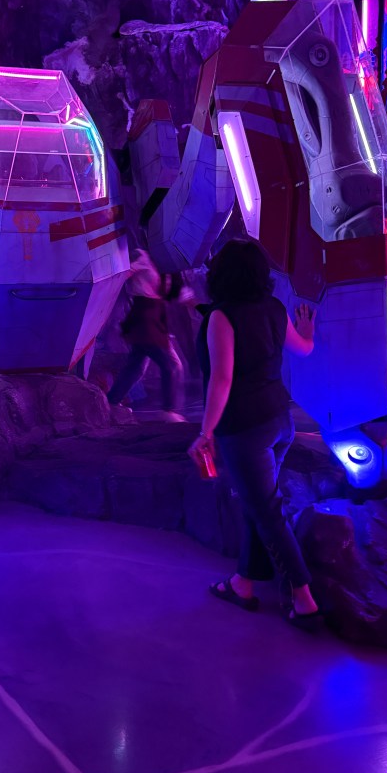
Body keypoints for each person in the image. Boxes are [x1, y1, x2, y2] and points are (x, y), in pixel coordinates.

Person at [188, 239, 321, 630]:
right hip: (280, 421)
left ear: (221, 275)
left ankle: (304, 600)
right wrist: (307, 330)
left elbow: (222, 380)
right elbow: (304, 350)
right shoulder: (274, 308)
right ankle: (243, 583)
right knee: (257, 504)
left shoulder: (222, 317)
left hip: (245, 429)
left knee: (267, 510)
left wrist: (205, 432)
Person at [108, 249, 187, 420]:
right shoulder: (142, 255)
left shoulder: (163, 263)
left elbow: (166, 292)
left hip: (153, 316)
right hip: (145, 317)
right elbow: (123, 272)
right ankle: (168, 410)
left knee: (135, 367)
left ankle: (111, 402)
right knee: (171, 365)